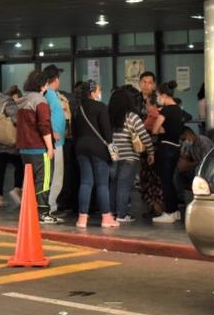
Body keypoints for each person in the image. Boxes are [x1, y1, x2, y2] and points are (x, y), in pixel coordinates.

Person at [17, 71, 59, 224]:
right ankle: (43, 213)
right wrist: (50, 148)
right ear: (43, 84)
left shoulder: (23, 100)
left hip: (24, 148)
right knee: (44, 180)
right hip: (38, 148)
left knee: (30, 181)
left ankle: (31, 211)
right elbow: (44, 126)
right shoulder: (40, 100)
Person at [109, 87, 155, 224]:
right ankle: (122, 215)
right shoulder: (131, 116)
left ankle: (112, 213)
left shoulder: (109, 116)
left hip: (113, 155)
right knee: (124, 185)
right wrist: (151, 151)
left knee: (114, 185)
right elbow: (144, 135)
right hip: (129, 156)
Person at [73, 81, 115, 228]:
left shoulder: (77, 109)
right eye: (98, 90)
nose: (99, 93)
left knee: (85, 182)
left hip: (80, 148)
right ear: (92, 93)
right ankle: (106, 218)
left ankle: (82, 219)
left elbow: (74, 132)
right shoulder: (101, 107)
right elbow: (107, 132)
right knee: (102, 184)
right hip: (98, 149)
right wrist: (111, 147)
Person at [152, 81, 186, 224]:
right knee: (170, 180)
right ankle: (175, 211)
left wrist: (160, 130)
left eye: (159, 95)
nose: (158, 98)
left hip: (165, 148)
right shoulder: (178, 109)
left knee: (165, 181)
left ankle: (169, 212)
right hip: (176, 147)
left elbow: (154, 129)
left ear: (164, 95)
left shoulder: (165, 110)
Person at [42, 65, 67, 215]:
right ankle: (50, 206)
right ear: (56, 79)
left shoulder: (52, 94)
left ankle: (51, 204)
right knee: (56, 175)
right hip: (54, 142)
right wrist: (52, 131)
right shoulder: (49, 95)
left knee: (55, 174)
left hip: (57, 141)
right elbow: (44, 116)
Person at [176, 126, 214, 208]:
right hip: (198, 166)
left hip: (208, 168)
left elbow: (205, 162)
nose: (184, 142)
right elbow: (186, 157)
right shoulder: (191, 145)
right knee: (179, 172)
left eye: (184, 139)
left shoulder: (203, 142)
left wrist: (188, 165)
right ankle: (183, 197)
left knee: (197, 170)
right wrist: (183, 157)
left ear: (189, 134)